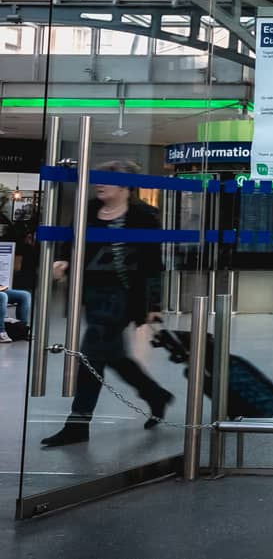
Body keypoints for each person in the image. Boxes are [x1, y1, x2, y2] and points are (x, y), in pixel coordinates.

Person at [41, 160, 174, 448]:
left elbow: (153, 264)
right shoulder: (88, 210)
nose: (99, 184)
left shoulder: (144, 216)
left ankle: (78, 422)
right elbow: (70, 239)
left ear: (125, 186)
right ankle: (155, 395)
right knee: (111, 355)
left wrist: (153, 303)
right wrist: (63, 258)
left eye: (106, 180)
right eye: (97, 179)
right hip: (91, 293)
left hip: (124, 296)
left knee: (92, 353)